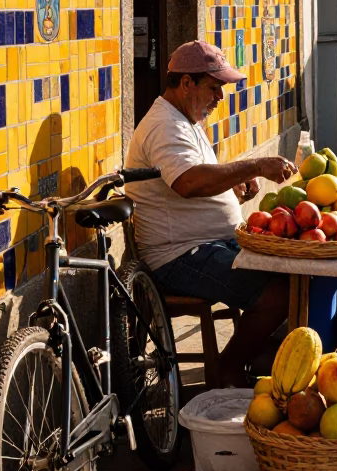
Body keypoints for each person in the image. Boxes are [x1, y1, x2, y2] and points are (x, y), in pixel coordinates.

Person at [125, 40, 298, 386]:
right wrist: (258, 165)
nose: (220, 97)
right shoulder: (164, 125)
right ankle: (227, 368)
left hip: (210, 244)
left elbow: (199, 174)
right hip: (181, 256)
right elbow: (188, 182)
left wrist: (235, 184)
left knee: (296, 274)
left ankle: (259, 355)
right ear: (186, 83)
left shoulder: (187, 120)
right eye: (214, 87)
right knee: (279, 293)